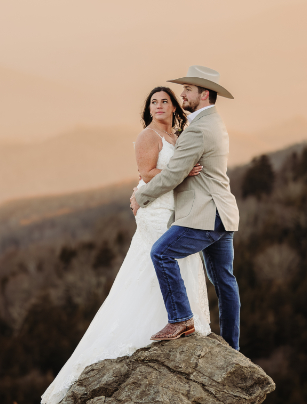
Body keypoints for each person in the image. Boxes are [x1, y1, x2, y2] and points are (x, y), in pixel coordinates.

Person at [40, 85, 211, 404]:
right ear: (148, 109)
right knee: (161, 262)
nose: (159, 106)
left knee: (165, 264)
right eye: (153, 102)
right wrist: (184, 172)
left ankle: (179, 320)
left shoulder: (175, 136)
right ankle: (165, 323)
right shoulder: (148, 136)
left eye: (165, 101)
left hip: (173, 208)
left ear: (175, 107)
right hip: (156, 210)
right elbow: (147, 175)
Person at [130, 65, 241, 350]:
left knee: (161, 253)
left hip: (203, 214)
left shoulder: (197, 131)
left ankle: (181, 318)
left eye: (188, 90)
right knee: (224, 281)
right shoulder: (215, 123)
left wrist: (140, 197)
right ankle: (232, 346)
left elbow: (173, 175)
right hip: (223, 214)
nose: (182, 95)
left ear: (204, 94)